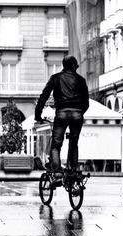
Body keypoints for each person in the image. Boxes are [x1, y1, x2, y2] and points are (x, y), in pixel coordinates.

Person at [34, 55, 89, 184]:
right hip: (77, 113)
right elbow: (86, 102)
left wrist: (38, 114)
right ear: (74, 66)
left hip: (61, 113)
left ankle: (58, 172)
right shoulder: (81, 80)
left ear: (64, 66)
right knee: (74, 142)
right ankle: (73, 170)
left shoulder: (56, 78)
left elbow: (43, 96)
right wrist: (79, 113)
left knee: (56, 144)